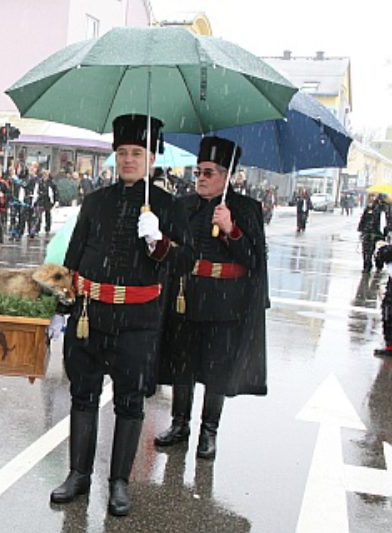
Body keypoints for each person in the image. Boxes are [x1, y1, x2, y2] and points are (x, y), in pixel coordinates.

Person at [50, 114, 193, 517]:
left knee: (129, 403)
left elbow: (188, 260)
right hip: (89, 315)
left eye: (137, 153)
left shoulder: (167, 206)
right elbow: (74, 257)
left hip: (138, 321)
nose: (129, 160)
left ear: (152, 157)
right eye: (123, 153)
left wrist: (159, 241)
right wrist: (60, 306)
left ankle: (118, 483)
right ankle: (78, 474)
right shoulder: (96, 201)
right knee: (83, 395)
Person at [155, 136, 268, 462]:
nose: (201, 178)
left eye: (208, 172)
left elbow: (254, 260)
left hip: (225, 302)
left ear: (226, 174)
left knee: (216, 369)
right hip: (185, 296)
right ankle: (180, 424)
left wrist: (231, 229)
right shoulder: (183, 206)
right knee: (183, 366)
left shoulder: (246, 209)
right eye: (198, 172)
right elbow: (171, 250)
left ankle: (209, 430)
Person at [358, 194, 388, 273]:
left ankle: (369, 265)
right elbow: (364, 219)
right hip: (373, 233)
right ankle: (369, 265)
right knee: (370, 250)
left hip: (376, 233)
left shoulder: (384, 208)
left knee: (370, 251)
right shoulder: (370, 207)